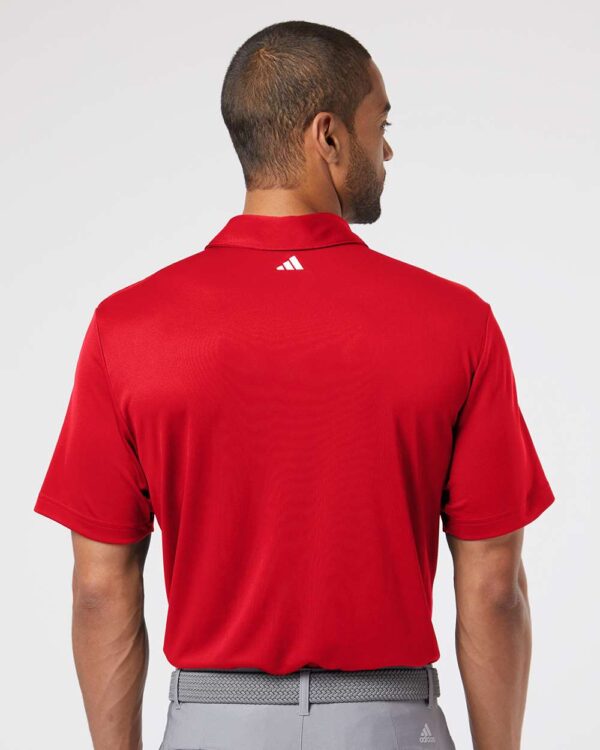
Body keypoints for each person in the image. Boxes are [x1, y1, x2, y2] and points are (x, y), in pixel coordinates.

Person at [33, 20, 556, 750]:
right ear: (328, 137)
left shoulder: (127, 327)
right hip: (388, 723)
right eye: (380, 125)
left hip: (212, 723)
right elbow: (496, 591)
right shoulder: (455, 322)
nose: (387, 150)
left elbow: (98, 589)